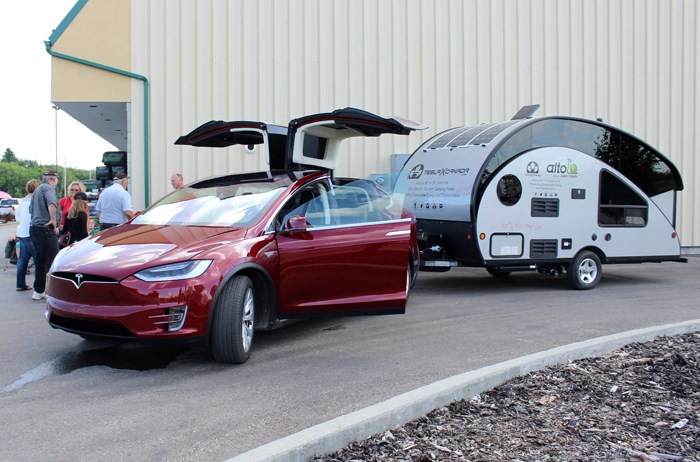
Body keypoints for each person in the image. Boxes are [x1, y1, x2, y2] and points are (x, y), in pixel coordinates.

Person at [29, 169, 61, 300]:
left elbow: (30, 210)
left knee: (40, 261)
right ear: (53, 179)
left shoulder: (36, 190)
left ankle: (38, 290)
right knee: (52, 261)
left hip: (35, 228)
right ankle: (52, 292)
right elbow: (52, 203)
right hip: (45, 228)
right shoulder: (48, 189)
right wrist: (53, 219)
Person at [10, 179, 40, 291]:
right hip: (32, 233)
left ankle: (20, 283)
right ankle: (39, 286)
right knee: (38, 260)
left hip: (21, 233)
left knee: (22, 260)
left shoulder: (22, 202)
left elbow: (18, 218)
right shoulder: (35, 201)